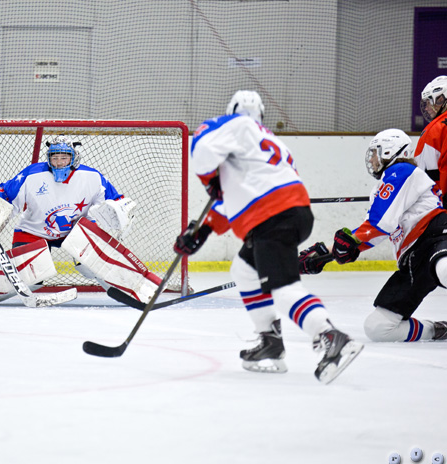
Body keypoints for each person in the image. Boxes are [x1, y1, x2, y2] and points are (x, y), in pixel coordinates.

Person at [174, 90, 363, 384]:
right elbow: (241, 193)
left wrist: (211, 180)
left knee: (283, 290)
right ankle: (270, 342)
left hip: (271, 217)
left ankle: (330, 336)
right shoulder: (270, 143)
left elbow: (201, 153)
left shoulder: (230, 125)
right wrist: (205, 230)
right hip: (294, 214)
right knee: (244, 269)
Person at [0, 136, 161, 305]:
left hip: (76, 231)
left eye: (64, 158)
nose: (59, 163)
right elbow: (5, 195)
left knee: (90, 266)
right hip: (33, 230)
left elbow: (116, 202)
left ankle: (137, 290)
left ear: (74, 158)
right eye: (55, 158)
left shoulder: (92, 178)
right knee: (34, 275)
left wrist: (118, 214)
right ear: (48, 158)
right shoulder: (32, 175)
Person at [299, 128, 447, 343]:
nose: (373, 159)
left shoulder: (402, 170)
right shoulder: (381, 188)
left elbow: (380, 223)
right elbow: (374, 232)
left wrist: (349, 242)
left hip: (436, 237)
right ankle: (439, 330)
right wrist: (325, 254)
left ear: (389, 151)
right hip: (413, 259)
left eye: (376, 153)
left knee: (444, 269)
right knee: (379, 328)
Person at [414, 75, 447, 199]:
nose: (427, 108)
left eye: (429, 102)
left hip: (436, 202)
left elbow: (424, 171)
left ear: (441, 99)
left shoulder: (436, 129)